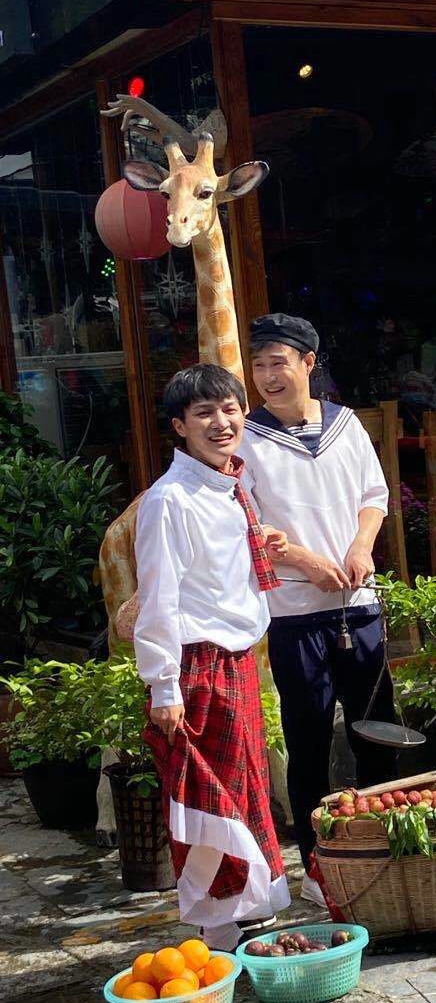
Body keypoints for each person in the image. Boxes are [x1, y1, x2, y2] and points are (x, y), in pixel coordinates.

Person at [235, 314, 396, 909]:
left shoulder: (346, 425)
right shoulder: (245, 442)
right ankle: (317, 864)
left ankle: (385, 844)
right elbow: (251, 524)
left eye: (279, 362)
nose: (268, 377)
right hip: (295, 613)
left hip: (358, 606)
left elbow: (373, 498)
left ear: (308, 363)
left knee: (377, 731)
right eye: (258, 366)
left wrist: (359, 548)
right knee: (308, 741)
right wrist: (304, 561)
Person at [134, 364, 291, 951]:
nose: (221, 423)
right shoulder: (169, 501)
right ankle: (220, 926)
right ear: (179, 426)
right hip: (199, 665)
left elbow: (220, 574)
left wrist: (264, 544)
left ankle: (247, 914)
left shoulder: (232, 486)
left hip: (239, 660)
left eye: (229, 409)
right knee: (213, 793)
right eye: (203, 414)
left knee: (246, 785)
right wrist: (164, 686)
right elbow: (160, 598)